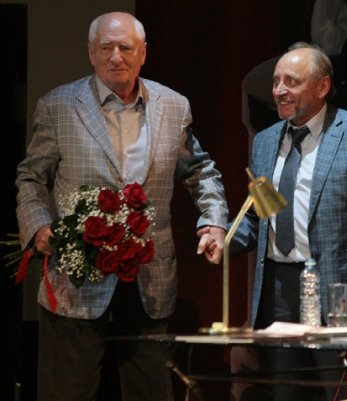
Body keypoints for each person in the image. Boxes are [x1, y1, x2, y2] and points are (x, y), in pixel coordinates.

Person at [15, 12, 228, 401]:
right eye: (106, 48)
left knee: (150, 392)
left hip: (148, 277)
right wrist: (39, 226)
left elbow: (201, 171)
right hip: (76, 280)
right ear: (91, 53)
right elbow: (31, 176)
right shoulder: (58, 105)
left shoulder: (173, 106)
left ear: (143, 52)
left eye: (126, 47)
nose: (116, 57)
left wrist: (213, 221)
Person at [227, 41, 347, 400]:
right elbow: (259, 217)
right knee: (288, 392)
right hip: (279, 290)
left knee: (341, 391)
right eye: (276, 82)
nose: (279, 90)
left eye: (291, 81)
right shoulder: (265, 141)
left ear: (322, 87)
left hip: (337, 291)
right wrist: (221, 240)